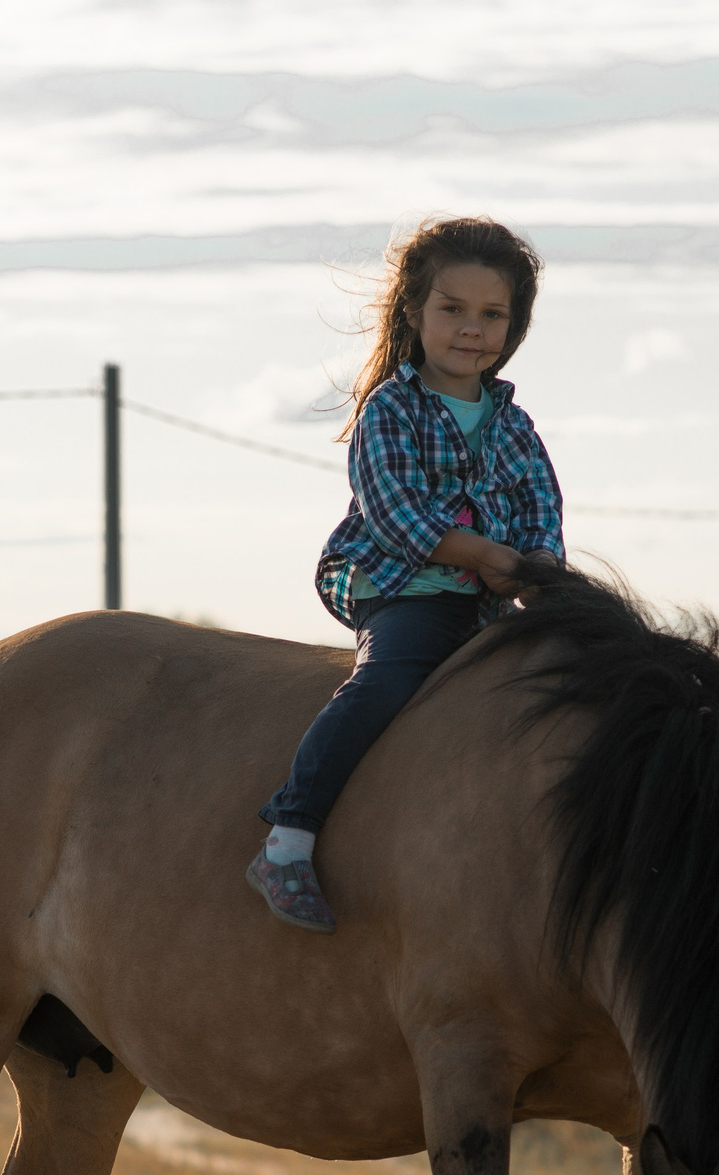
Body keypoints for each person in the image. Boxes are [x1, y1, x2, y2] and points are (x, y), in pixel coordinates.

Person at [248, 217, 566, 934]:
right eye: (452, 309)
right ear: (415, 313)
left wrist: (539, 569)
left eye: (492, 315)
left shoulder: (514, 425)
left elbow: (542, 507)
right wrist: (487, 557)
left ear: (512, 328)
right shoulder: (391, 409)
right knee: (388, 680)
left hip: (491, 602)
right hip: (405, 590)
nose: (471, 330)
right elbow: (398, 515)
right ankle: (290, 834)